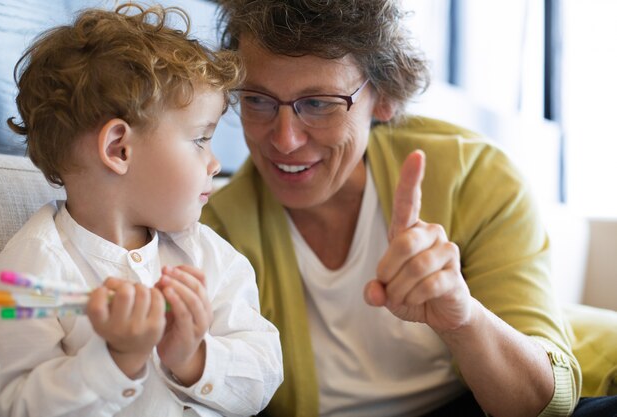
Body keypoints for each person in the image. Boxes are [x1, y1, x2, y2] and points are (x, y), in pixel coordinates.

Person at [201, 1, 617, 416]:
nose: (285, 140)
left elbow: (542, 406)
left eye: (319, 103)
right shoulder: (215, 230)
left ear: (383, 96)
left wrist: (461, 318)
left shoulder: (473, 177)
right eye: (257, 100)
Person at [0, 4, 283, 417]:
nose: (215, 164)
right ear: (119, 149)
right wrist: (115, 361)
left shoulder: (209, 257)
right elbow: (11, 404)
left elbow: (265, 374)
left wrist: (193, 358)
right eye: (201, 139)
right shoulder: (29, 275)